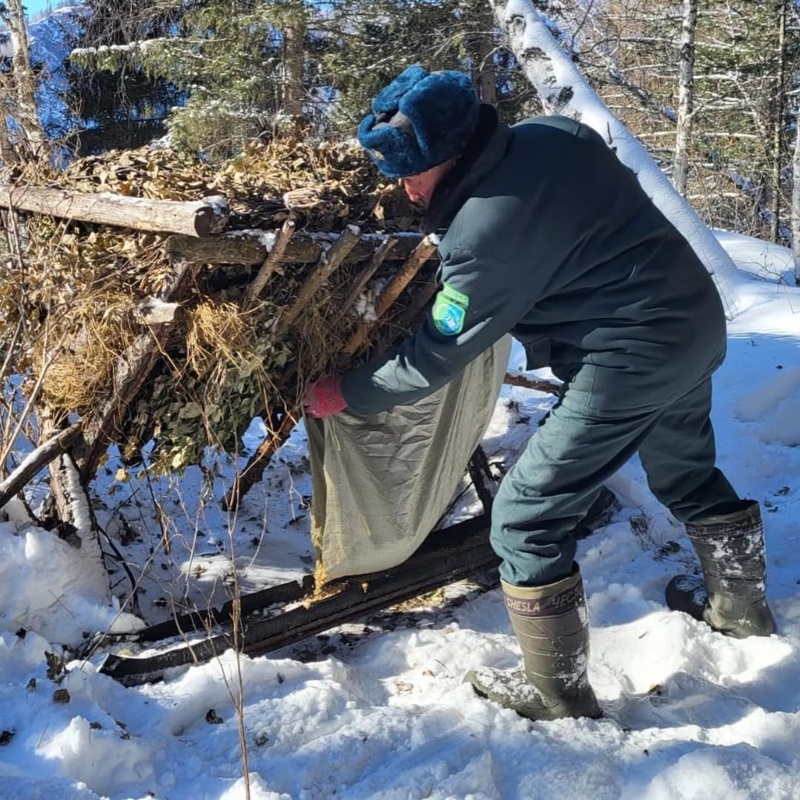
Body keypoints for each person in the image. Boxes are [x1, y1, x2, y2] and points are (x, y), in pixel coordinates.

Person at [302, 65, 776, 721]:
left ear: (457, 154)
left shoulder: (483, 235)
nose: (409, 193)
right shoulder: (555, 135)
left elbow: (434, 357)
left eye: (415, 174)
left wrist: (344, 394)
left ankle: (557, 693)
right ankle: (742, 612)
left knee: (525, 516)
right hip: (693, 320)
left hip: (627, 357)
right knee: (686, 470)